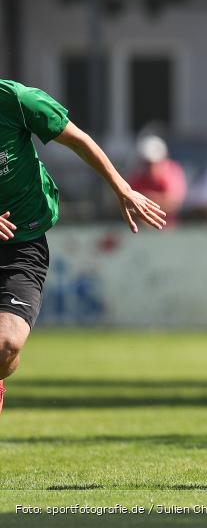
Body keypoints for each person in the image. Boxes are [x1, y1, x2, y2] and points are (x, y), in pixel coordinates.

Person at [0, 79, 166, 416]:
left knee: (6, 346)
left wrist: (122, 188)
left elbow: (78, 139)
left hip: (22, 243)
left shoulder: (17, 100)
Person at [128, 134, 187, 226]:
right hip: (141, 230)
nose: (150, 167)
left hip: (168, 230)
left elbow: (175, 202)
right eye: (147, 163)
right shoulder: (137, 176)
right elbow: (128, 203)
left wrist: (145, 200)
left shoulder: (172, 171)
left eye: (153, 163)